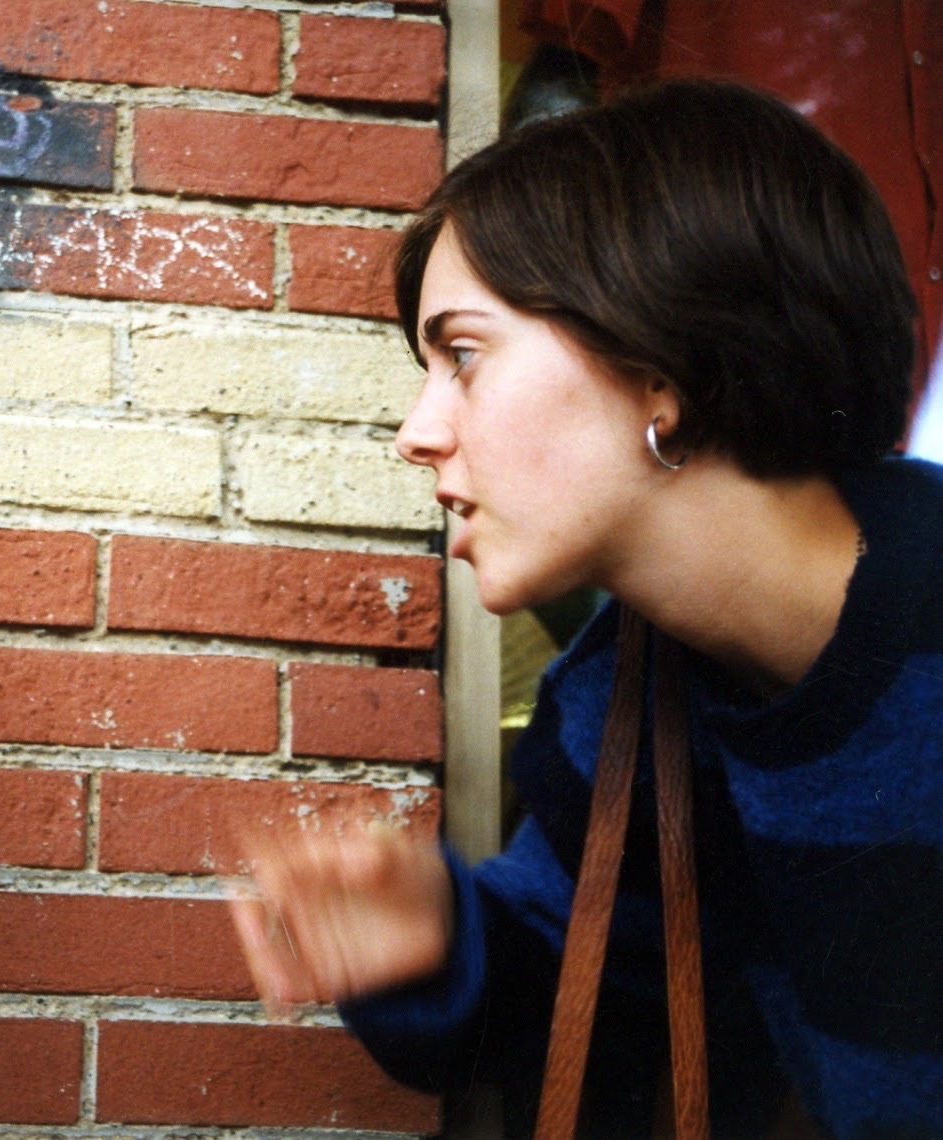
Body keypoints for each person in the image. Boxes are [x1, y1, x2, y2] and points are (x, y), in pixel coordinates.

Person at [229, 81, 943, 1138]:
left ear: (662, 367)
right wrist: (431, 937)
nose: (416, 433)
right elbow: (554, 997)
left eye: (461, 356)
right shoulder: (626, 696)